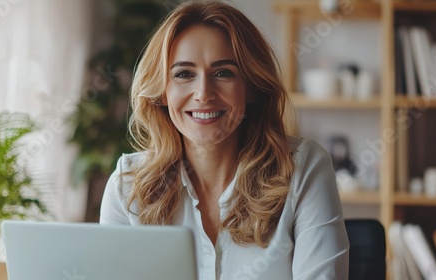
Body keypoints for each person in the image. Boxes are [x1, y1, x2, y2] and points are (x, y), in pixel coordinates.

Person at [100, 1, 349, 279]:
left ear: (252, 87)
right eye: (184, 74)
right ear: (162, 92)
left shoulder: (304, 168)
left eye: (223, 73)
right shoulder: (127, 186)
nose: (204, 93)